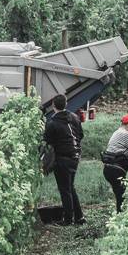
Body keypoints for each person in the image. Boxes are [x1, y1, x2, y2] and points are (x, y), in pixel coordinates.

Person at [43, 94, 85, 225]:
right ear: (66, 104)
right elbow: (81, 135)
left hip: (62, 159)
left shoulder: (52, 123)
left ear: (53, 106)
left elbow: (47, 141)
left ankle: (68, 220)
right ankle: (79, 217)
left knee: (65, 190)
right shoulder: (74, 117)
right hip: (75, 156)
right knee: (70, 187)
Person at [102, 114, 128, 213]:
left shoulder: (118, 132)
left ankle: (120, 216)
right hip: (115, 169)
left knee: (120, 195)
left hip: (111, 168)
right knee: (123, 196)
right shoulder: (125, 134)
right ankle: (122, 218)